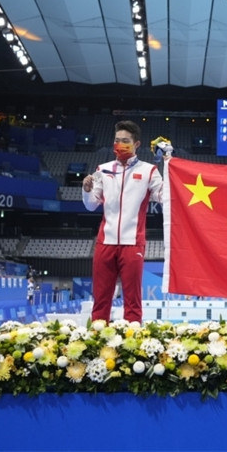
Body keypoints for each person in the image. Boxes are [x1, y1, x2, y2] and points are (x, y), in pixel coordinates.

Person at [82, 120, 170, 323]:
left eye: (125, 141)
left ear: (136, 144)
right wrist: (86, 191)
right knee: (101, 298)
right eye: (117, 140)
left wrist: (169, 164)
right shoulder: (102, 169)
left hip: (133, 242)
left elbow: (164, 197)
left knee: (133, 299)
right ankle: (98, 340)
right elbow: (91, 205)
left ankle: (133, 343)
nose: (120, 145)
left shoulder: (149, 171)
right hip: (105, 242)